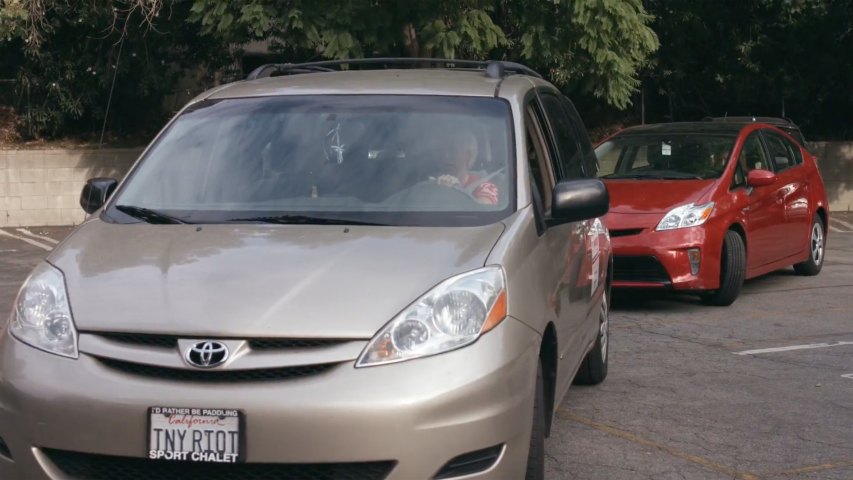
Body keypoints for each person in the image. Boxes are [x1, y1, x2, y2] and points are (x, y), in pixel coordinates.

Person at [434, 131, 499, 205]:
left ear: (468, 157)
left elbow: (485, 210)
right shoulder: (430, 184)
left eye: (452, 151)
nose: (446, 157)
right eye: (441, 152)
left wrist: (456, 191)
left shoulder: (485, 186)